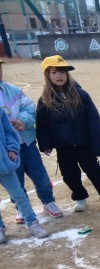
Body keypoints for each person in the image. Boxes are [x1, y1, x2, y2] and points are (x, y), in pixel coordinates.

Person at [35, 55, 100, 214]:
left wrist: (97, 145)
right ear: (47, 75)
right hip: (63, 147)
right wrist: (45, 144)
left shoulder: (81, 94)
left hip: (84, 145)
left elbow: (93, 120)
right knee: (69, 176)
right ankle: (80, 197)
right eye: (54, 72)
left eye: (63, 72)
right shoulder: (45, 100)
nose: (59, 75)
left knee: (95, 172)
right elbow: (42, 125)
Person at [0, 59, 63, 223]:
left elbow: (28, 107)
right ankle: (21, 207)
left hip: (26, 143)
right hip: (4, 150)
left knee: (40, 175)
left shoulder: (13, 90)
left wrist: (22, 121)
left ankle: (48, 202)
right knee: (16, 180)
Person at [0, 109, 50, 243]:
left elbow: (9, 131)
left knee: (19, 195)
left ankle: (33, 223)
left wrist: (12, 148)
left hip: (3, 162)